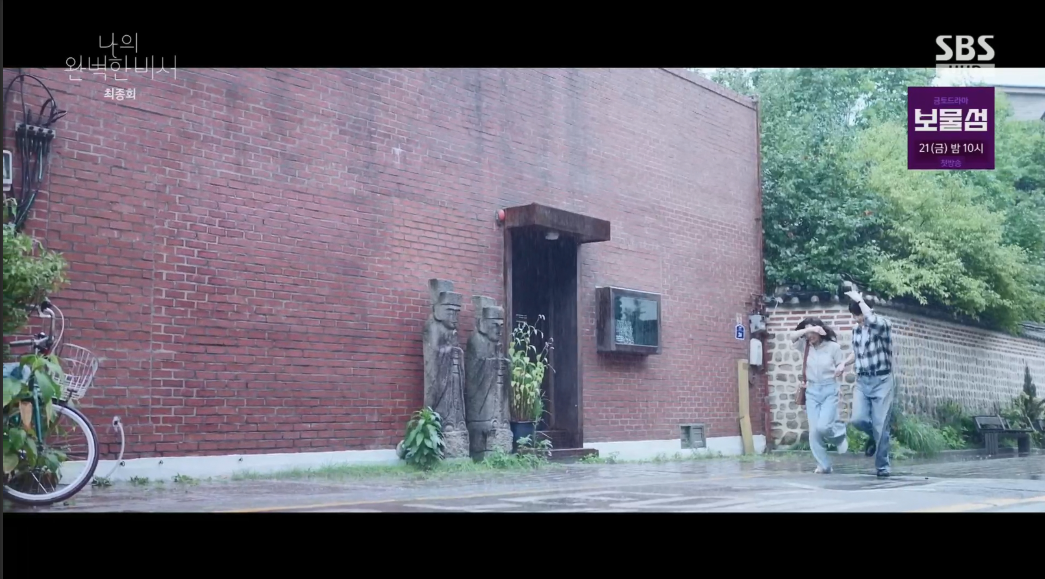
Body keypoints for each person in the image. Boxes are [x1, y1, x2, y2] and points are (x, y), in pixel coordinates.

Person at [840, 289, 894, 478]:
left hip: (882, 381)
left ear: (867, 311)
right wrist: (843, 364)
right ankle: (875, 436)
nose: (857, 320)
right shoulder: (856, 330)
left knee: (880, 424)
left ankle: (882, 466)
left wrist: (861, 301)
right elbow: (857, 352)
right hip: (862, 381)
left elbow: (873, 321)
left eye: (859, 315)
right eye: (854, 316)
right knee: (858, 419)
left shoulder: (883, 326)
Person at [791, 317, 848, 474]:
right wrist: (808, 329)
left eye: (813, 332)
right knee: (814, 431)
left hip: (829, 389)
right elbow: (792, 336)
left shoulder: (833, 347)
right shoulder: (804, 346)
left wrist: (840, 369)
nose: (810, 336)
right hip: (812, 391)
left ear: (821, 331)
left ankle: (839, 436)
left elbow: (840, 364)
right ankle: (824, 465)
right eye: (808, 333)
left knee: (823, 426)